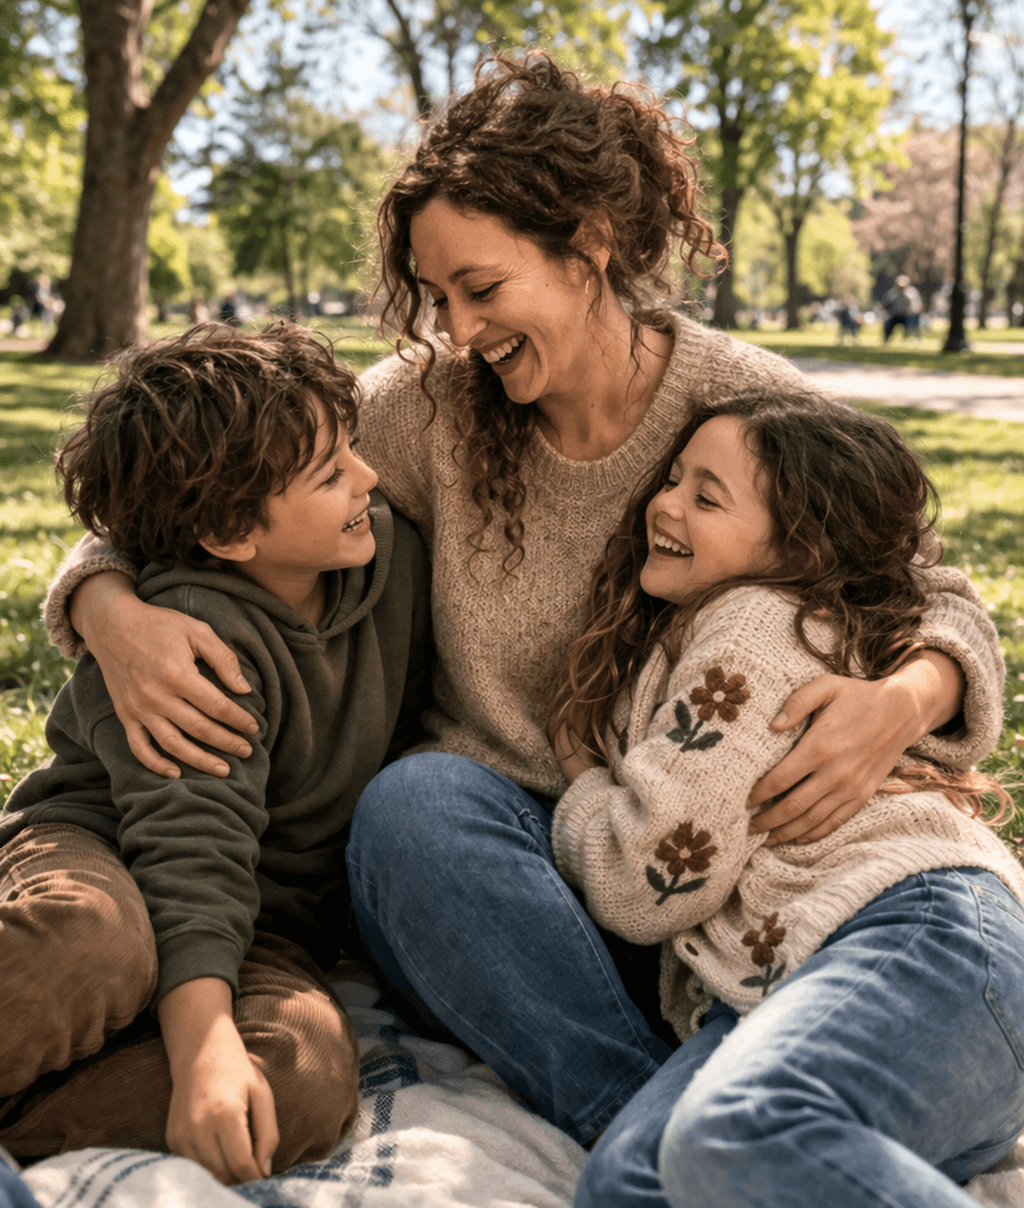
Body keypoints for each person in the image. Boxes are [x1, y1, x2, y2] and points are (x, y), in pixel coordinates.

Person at [45, 55, 1003, 1148]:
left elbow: (934, 586)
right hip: (493, 876)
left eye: (482, 288)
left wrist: (910, 695)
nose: (456, 330)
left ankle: (668, 1138)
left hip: (704, 855)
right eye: (437, 296)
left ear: (590, 243)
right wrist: (107, 608)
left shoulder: (739, 405)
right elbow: (199, 485)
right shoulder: (430, 404)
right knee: (411, 807)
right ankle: (647, 1122)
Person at [548, 390, 1024, 1208]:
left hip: (923, 935)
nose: (663, 503)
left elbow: (648, 883)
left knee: (739, 1133)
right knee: (636, 1186)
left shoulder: (753, 632)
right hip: (813, 995)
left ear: (797, 547)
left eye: (707, 497)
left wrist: (584, 779)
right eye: (672, 478)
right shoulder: (744, 623)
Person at [0, 322, 430, 1183]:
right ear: (233, 532)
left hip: (264, 918)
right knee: (92, 942)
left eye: (352, 449)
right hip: (110, 849)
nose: (370, 478)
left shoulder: (391, 556)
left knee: (298, 1076)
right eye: (331, 473)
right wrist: (200, 1049)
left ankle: (28, 1122)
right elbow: (188, 851)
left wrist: (222, 1051)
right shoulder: (198, 635)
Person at [882, 274, 922, 342]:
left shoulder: (912, 292)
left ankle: (910, 339)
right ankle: (886, 339)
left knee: (912, 321)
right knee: (888, 322)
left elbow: (918, 306)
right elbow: (885, 304)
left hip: (908, 316)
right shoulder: (892, 292)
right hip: (895, 315)